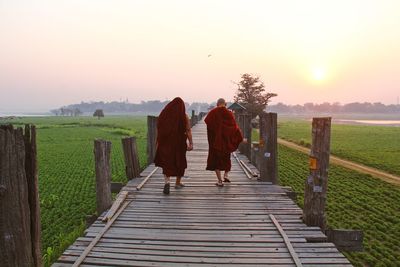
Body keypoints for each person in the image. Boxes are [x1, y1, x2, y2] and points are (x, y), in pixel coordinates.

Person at [154, 97, 193, 194]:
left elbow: (159, 129)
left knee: (167, 162)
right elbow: (188, 130)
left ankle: (167, 182)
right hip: (179, 143)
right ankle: (177, 183)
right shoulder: (184, 116)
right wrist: (191, 142)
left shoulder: (164, 115)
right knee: (180, 162)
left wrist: (158, 142)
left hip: (166, 142)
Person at [205, 98, 243, 187]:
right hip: (226, 141)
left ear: (217, 104)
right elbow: (234, 127)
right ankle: (226, 175)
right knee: (226, 159)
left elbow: (208, 125)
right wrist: (238, 137)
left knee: (216, 161)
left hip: (216, 142)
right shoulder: (229, 113)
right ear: (225, 104)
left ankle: (220, 181)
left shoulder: (212, 112)